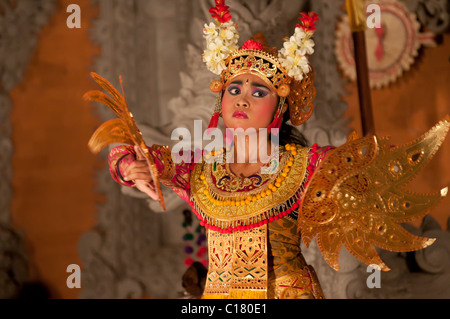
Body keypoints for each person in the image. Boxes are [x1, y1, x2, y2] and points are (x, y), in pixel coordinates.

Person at [99, 1, 448, 299]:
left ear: (280, 108)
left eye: (259, 92)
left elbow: (365, 183)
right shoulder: (201, 168)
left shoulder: (308, 164)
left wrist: (364, 179)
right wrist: (129, 166)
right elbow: (129, 150)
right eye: (234, 89)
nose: (242, 99)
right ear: (219, 101)